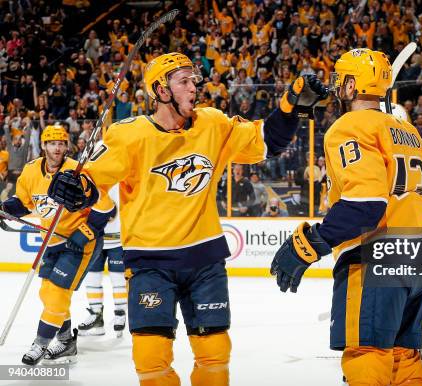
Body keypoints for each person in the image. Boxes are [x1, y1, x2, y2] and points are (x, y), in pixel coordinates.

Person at [47, 52, 327, 386]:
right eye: (184, 81)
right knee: (151, 360)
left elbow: (267, 142)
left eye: (194, 79)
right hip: (149, 263)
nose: (194, 86)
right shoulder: (128, 135)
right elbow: (93, 181)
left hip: (204, 260)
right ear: (161, 91)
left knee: (214, 355)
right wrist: (73, 187)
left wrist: (289, 106)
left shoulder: (213, 124)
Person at [270, 48, 422, 385]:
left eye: (340, 81)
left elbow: (366, 204)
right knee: (403, 359)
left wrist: (308, 245)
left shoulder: (347, 127)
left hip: (377, 256)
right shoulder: (408, 133)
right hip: (421, 255)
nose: (336, 88)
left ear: (352, 86)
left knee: (368, 354)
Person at [0, 125, 115, 365]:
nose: (57, 148)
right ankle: (65, 341)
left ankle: (40, 343)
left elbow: (106, 207)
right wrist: (4, 209)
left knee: (57, 293)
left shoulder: (79, 170)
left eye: (62, 143)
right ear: (43, 145)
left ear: (67, 145)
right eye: (52, 143)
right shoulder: (32, 171)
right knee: (46, 293)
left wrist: (84, 232)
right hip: (51, 242)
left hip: (78, 244)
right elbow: (24, 203)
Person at [77, 178, 126, 337]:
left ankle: (120, 314)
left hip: (119, 239)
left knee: (118, 278)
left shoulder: (122, 177)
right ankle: (96, 316)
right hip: (95, 238)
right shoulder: (89, 178)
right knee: (92, 278)